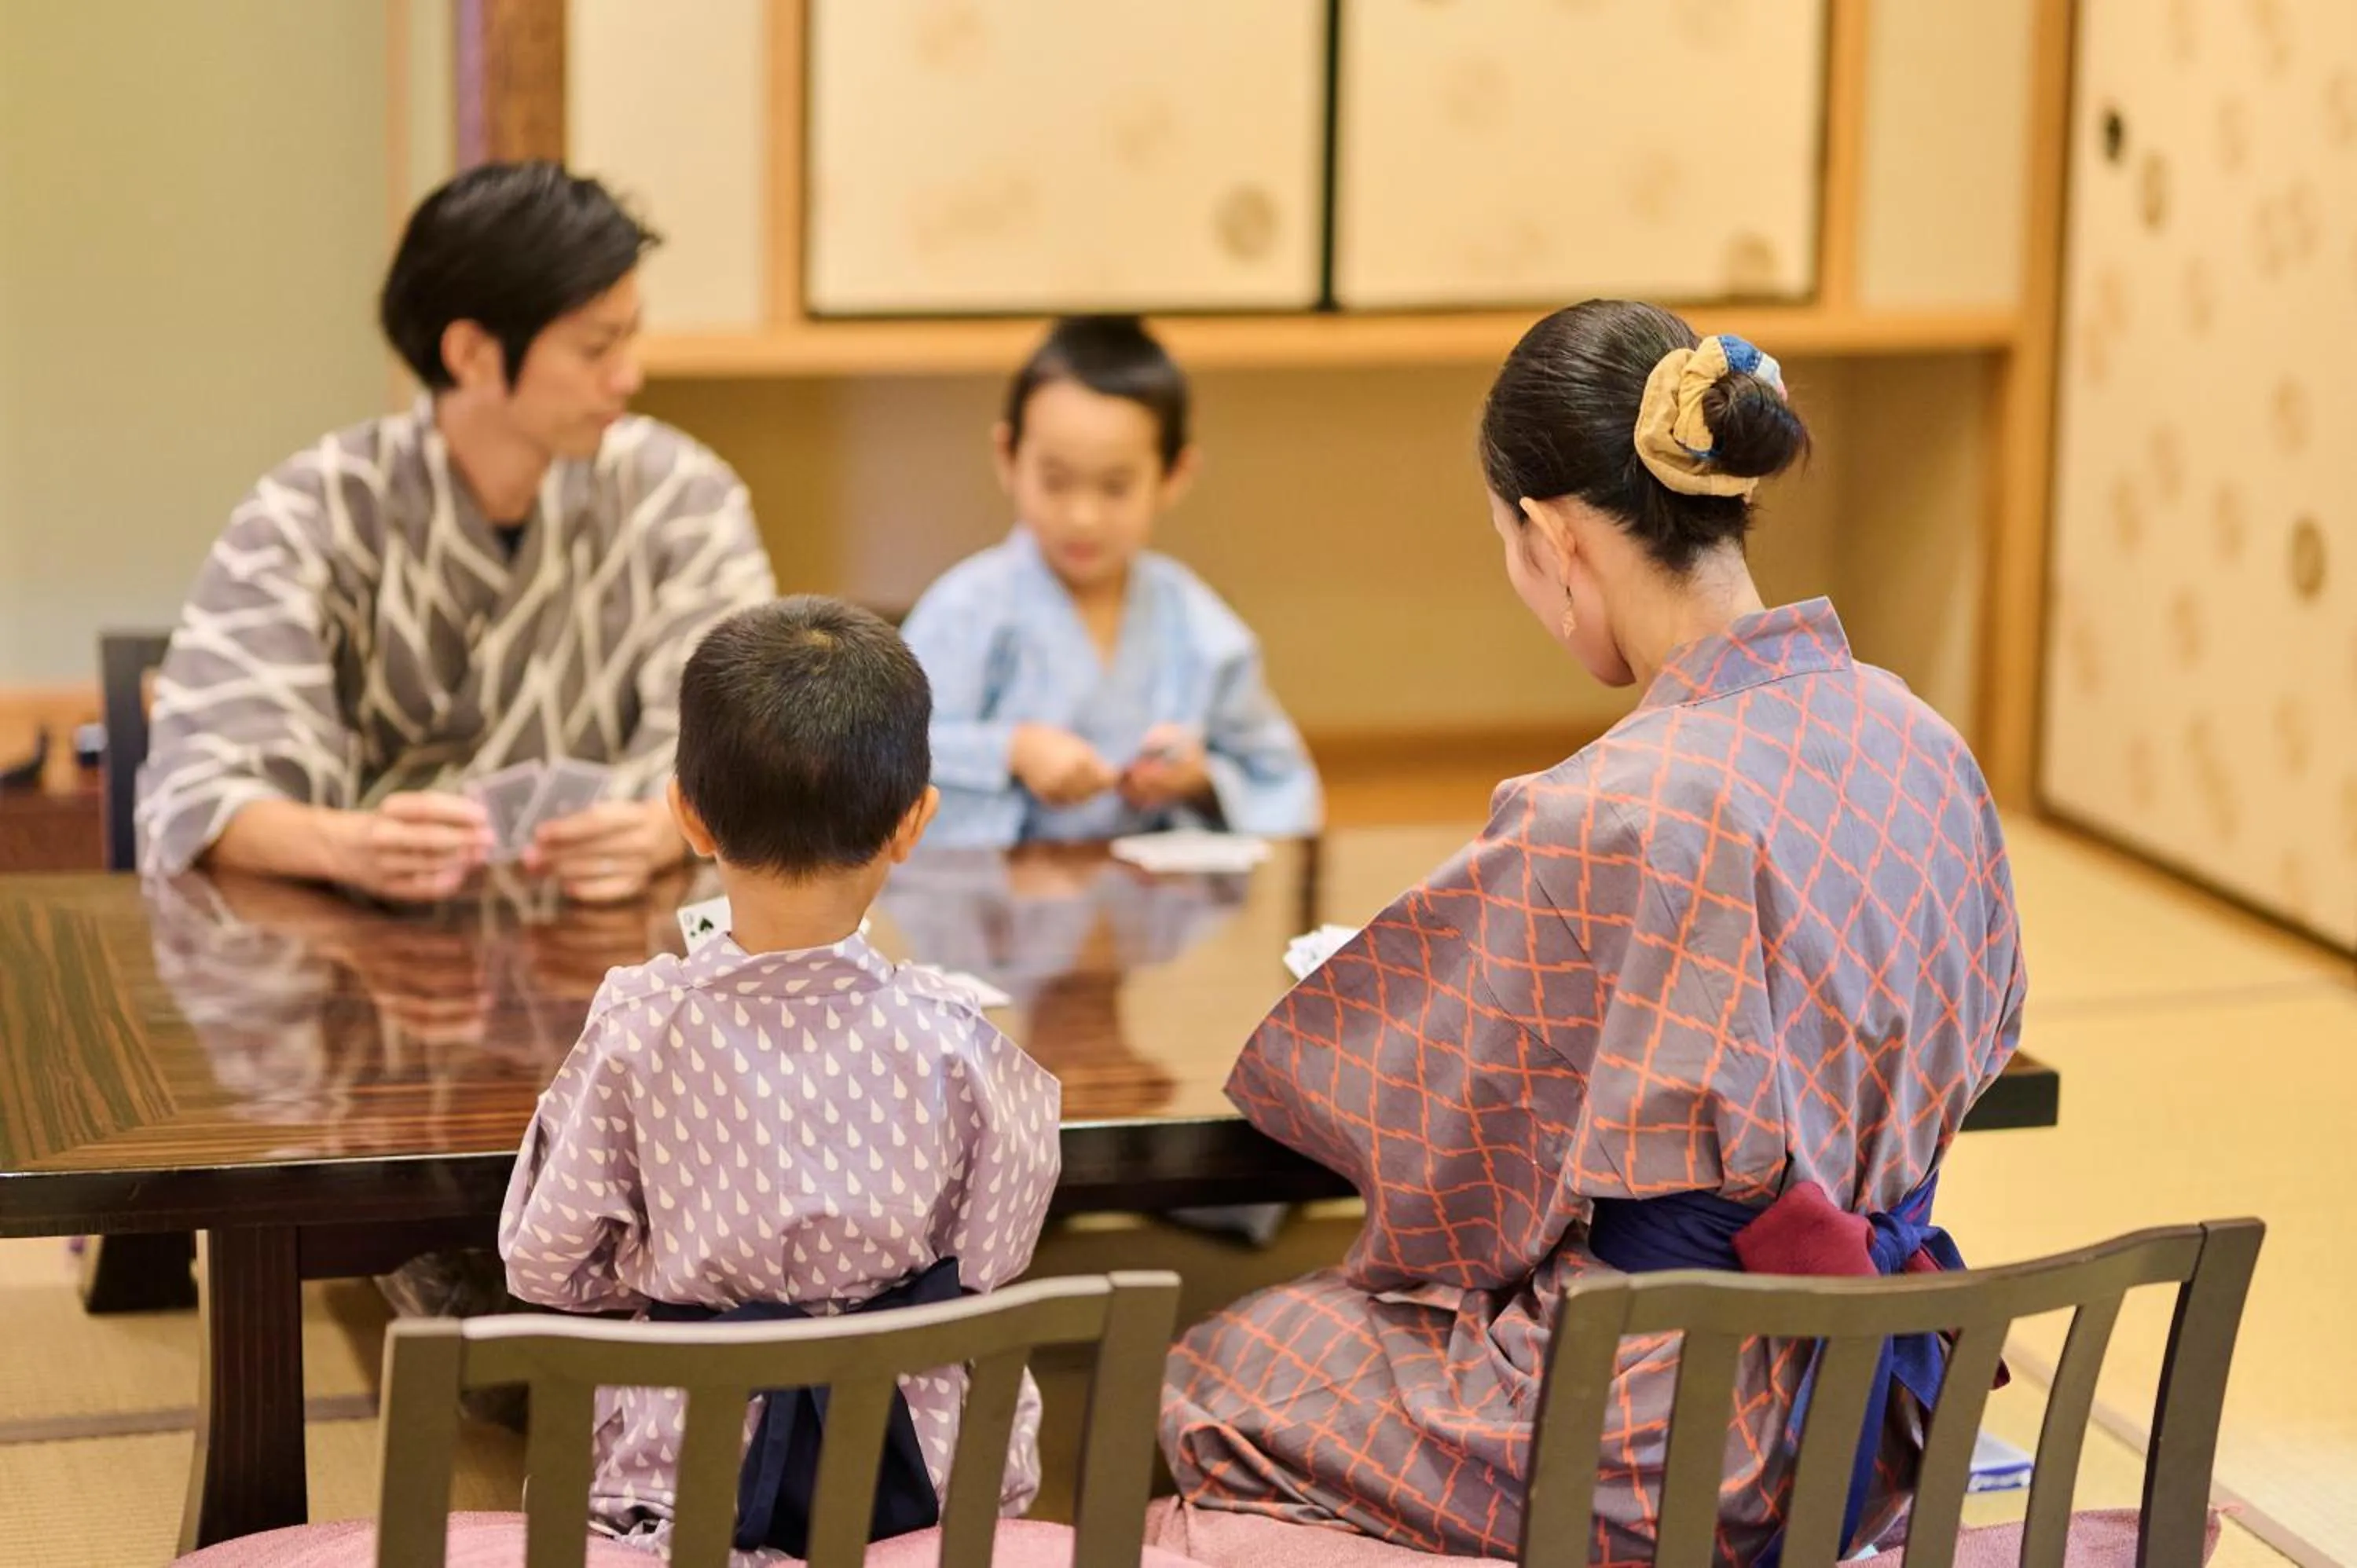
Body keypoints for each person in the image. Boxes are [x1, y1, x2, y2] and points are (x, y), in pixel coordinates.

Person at [1157, 302, 2027, 1563]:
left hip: (1671, 1443)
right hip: (1881, 1408)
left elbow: (1451, 1162)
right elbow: (1984, 1036)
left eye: (1510, 550)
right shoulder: (1923, 741)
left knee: (1215, 1373)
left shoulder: (1611, 811)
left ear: (1556, 538)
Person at [500, 596, 1061, 1560]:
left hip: (683, 1488)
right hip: (925, 1483)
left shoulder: (638, 1032)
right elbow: (992, 1257)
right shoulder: (958, 1042)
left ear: (687, 814)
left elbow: (544, 1263)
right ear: (913, 823)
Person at [136, 161, 776, 904]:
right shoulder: (313, 510)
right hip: (356, 962)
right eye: (596, 349)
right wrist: (350, 847)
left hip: (620, 965)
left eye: (629, 341)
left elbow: (754, 754)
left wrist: (662, 829)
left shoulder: (682, 498)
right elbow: (198, 796)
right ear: (470, 353)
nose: (627, 377)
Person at [898, 315, 1321, 848]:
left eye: (1115, 487)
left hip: (1153, 910)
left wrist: (1200, 781)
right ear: (1008, 458)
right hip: (998, 913)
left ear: (1173, 476)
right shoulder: (967, 608)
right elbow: (883, 758)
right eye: (1056, 481)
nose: (1083, 517)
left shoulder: (1197, 624)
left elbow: (1282, 781)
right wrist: (1013, 750)